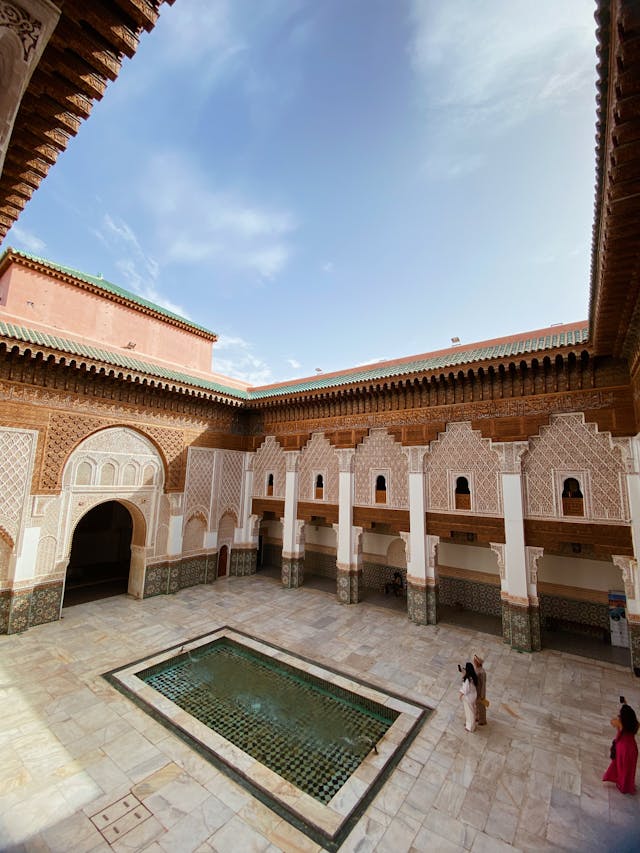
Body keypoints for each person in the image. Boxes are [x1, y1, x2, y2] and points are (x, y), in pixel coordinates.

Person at [603, 703, 638, 794]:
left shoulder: (620, 723)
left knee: (620, 766)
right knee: (630, 768)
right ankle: (628, 785)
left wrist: (618, 719)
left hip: (622, 749)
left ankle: (622, 785)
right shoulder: (635, 724)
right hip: (633, 749)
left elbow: (612, 722)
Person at [459, 662, 478, 732]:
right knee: (473, 710)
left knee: (469, 713)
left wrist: (460, 695)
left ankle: (470, 727)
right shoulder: (474, 676)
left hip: (469, 697)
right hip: (474, 695)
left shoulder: (467, 680)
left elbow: (465, 690)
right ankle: (470, 724)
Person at [473, 654, 487, 725]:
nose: (474, 661)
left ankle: (482, 720)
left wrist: (482, 695)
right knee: (476, 705)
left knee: (481, 706)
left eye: (475, 661)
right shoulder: (477, 669)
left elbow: (483, 685)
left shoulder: (482, 672)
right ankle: (477, 717)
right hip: (476, 691)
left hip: (480, 692)